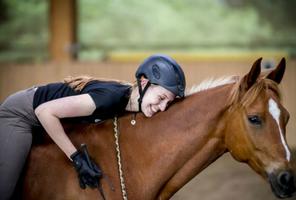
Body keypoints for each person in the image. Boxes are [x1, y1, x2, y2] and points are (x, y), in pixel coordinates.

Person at [0, 54, 186, 199]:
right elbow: (45, 112)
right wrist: (76, 158)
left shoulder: (130, 103)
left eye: (167, 104)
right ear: (144, 82)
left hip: (45, 115)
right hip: (21, 114)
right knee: (5, 191)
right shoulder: (110, 98)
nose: (162, 107)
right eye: (161, 98)